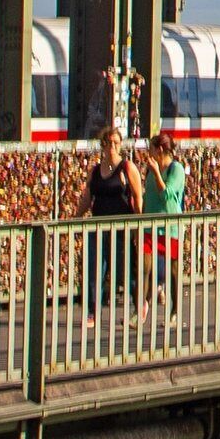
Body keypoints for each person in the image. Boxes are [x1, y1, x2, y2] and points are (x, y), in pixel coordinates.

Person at [82, 128, 144, 314]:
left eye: (116, 143)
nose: (112, 146)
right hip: (98, 227)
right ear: (103, 145)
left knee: (124, 271)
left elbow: (137, 197)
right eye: (109, 142)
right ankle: (92, 311)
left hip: (121, 228)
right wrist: (75, 217)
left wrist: (139, 225)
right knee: (94, 270)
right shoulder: (95, 171)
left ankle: (139, 304)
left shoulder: (127, 168)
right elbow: (87, 198)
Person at [139, 132, 188, 316]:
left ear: (159, 150)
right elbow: (148, 195)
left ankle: (175, 310)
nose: (149, 153)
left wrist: (157, 174)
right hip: (150, 226)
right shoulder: (151, 170)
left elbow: (167, 194)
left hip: (170, 226)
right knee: (145, 267)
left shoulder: (176, 169)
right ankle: (140, 308)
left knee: (173, 271)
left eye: (151, 149)